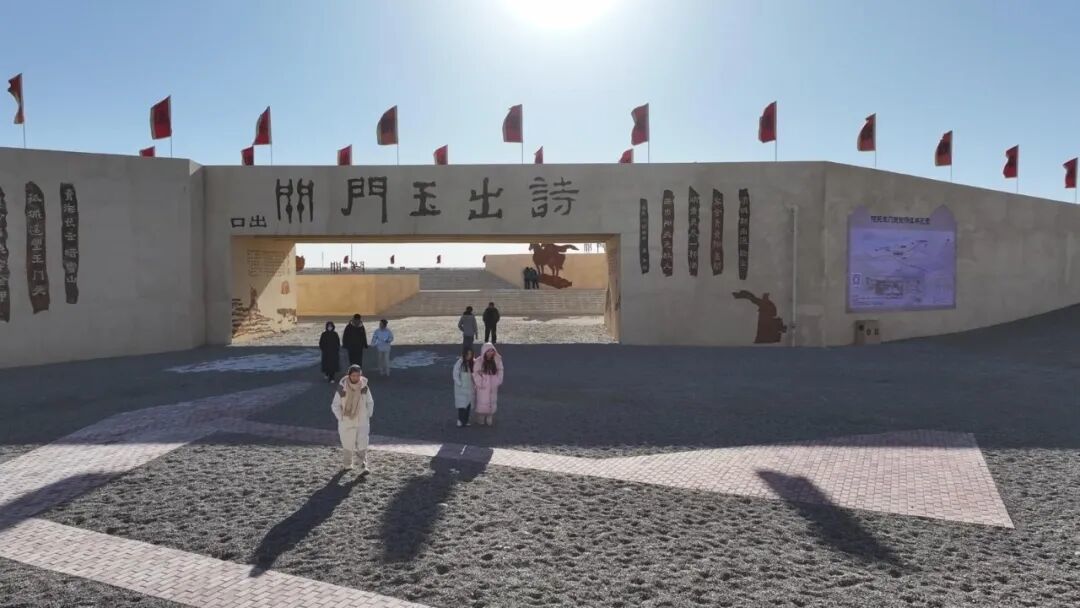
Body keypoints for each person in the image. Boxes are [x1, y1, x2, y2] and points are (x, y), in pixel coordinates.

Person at [331, 365, 374, 473]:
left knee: (362, 442)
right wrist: (340, 417)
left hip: (362, 420)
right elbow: (335, 405)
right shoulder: (342, 388)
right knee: (347, 443)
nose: (356, 377)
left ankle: (363, 465)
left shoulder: (364, 387)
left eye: (358, 375)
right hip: (347, 420)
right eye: (353, 375)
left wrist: (368, 414)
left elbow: (370, 402)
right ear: (349, 375)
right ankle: (347, 464)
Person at [472, 343, 503, 426]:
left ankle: (490, 416)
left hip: (493, 385)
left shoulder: (497, 360)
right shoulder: (479, 361)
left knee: (492, 400)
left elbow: (500, 370)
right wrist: (480, 382)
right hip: (482, 386)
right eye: (488, 351)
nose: (490, 353)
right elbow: (475, 373)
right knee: (482, 401)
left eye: (492, 351)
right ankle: (481, 417)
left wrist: (498, 380)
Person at [452, 348, 475, 427]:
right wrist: (459, 383)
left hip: (469, 387)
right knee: (461, 405)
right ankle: (460, 420)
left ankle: (466, 420)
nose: (469, 356)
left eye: (471, 354)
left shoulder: (472, 363)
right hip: (461, 388)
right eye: (468, 354)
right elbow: (455, 373)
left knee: (468, 404)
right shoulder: (460, 362)